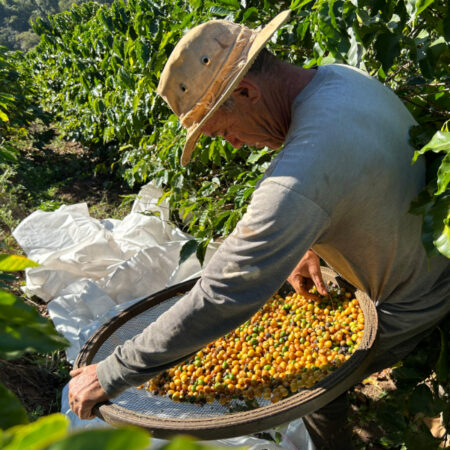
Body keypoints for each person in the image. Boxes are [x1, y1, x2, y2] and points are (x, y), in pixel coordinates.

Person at [68, 10, 450, 449]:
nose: (231, 143)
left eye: (223, 130)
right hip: (418, 249)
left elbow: (224, 292)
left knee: (314, 384)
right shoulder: (338, 78)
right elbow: (354, 182)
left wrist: (116, 371)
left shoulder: (304, 169)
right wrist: (311, 244)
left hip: (410, 297)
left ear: (247, 91)